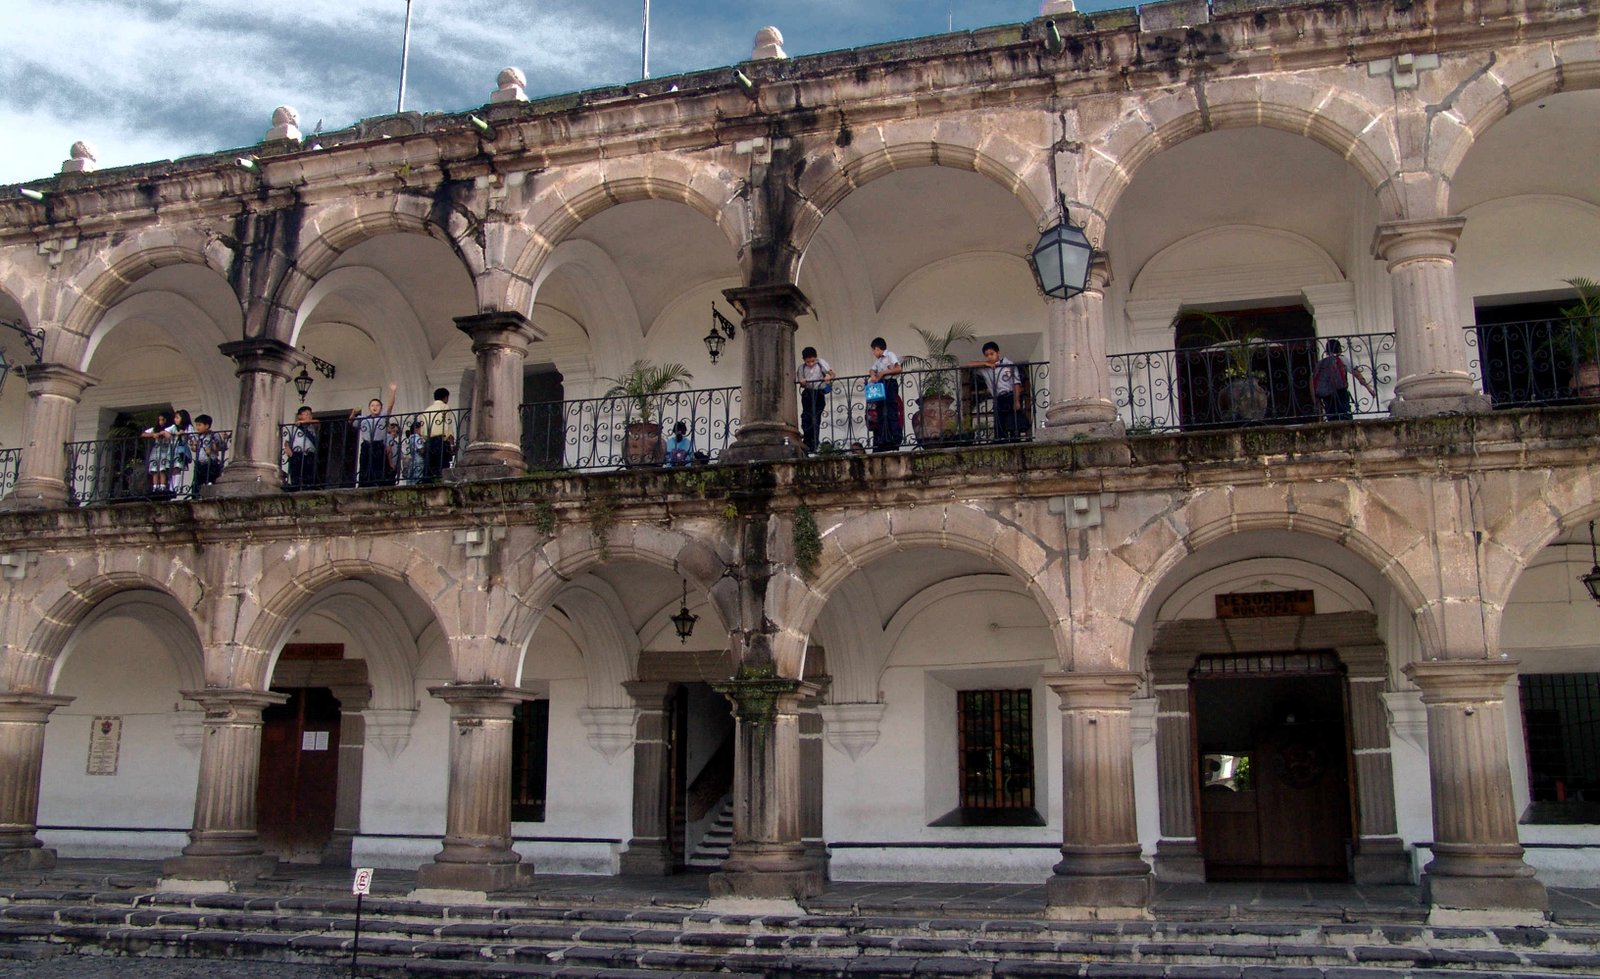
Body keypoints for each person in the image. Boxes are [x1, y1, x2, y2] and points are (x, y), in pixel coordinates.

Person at [967, 341, 1024, 442]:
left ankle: (1016, 442)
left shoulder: (1008, 364)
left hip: (1010, 396)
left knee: (1013, 423)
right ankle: (1002, 443)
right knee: (1000, 425)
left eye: (992, 354)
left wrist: (1017, 400)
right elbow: (969, 364)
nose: (989, 357)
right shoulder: (985, 368)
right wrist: (984, 363)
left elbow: (1016, 383)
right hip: (998, 398)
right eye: (987, 355)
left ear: (998, 353)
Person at [1311, 338, 1375, 421]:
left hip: (1326, 396)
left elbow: (1313, 380)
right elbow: (1357, 375)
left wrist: (1316, 400)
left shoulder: (1321, 363)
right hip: (1341, 392)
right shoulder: (1342, 359)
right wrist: (1369, 389)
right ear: (1339, 349)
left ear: (1326, 351)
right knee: (1346, 417)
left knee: (1332, 418)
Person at [349, 382, 398, 487]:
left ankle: (378, 483)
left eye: (377, 405)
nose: (375, 407)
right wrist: (353, 413)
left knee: (378, 465)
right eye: (372, 405)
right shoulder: (363, 419)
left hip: (378, 445)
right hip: (367, 445)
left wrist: (393, 391)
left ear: (381, 407)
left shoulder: (382, 417)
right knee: (365, 465)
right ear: (369, 407)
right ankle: (364, 484)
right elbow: (351, 423)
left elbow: (390, 406)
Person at [795, 346, 835, 453]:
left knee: (816, 417)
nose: (811, 364)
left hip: (819, 392)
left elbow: (832, 373)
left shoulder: (821, 363)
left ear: (816, 358)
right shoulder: (801, 368)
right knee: (806, 417)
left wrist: (828, 377)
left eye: (813, 361)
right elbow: (801, 381)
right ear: (804, 360)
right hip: (808, 393)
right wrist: (802, 382)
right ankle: (807, 442)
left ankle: (814, 443)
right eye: (808, 362)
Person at [867, 337, 903, 451]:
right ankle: (883, 437)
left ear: (877, 349)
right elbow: (872, 369)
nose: (873, 353)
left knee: (891, 410)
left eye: (874, 350)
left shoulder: (890, 355)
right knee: (881, 411)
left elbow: (898, 368)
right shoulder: (878, 361)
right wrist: (873, 375)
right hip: (881, 384)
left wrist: (883, 372)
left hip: (890, 383)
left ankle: (895, 437)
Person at [141, 409, 178, 496]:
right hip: (156, 450)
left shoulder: (170, 428)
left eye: (162, 420)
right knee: (155, 470)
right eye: (159, 420)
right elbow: (143, 434)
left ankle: (162, 486)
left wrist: (164, 434)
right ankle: (155, 487)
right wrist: (153, 435)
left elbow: (173, 436)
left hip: (165, 450)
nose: (160, 422)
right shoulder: (155, 429)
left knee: (162, 469)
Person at [421, 387, 454, 482]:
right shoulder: (444, 407)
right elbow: (448, 427)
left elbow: (423, 430)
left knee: (429, 466)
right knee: (442, 465)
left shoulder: (427, 410)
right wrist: (451, 444)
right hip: (441, 441)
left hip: (429, 441)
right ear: (445, 397)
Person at [284, 406, 320, 490]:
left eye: (310, 415)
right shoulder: (293, 428)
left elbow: (317, 422)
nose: (309, 416)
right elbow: (287, 443)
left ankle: (309, 488)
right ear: (299, 416)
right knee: (296, 473)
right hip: (297, 453)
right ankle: (295, 487)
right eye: (306, 414)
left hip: (309, 453)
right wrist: (290, 453)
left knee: (309, 473)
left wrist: (303, 422)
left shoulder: (312, 427)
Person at [191, 414, 228, 490]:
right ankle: (197, 495)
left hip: (210, 462)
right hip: (200, 462)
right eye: (196, 425)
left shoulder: (214, 435)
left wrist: (214, 447)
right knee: (198, 482)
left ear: (207, 426)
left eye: (199, 425)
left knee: (210, 480)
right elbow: (194, 449)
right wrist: (194, 446)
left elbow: (223, 447)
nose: (197, 427)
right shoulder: (197, 436)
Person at [170, 409, 197, 495]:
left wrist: (184, 435)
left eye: (177, 417)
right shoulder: (174, 427)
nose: (175, 419)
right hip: (172, 449)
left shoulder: (188, 427)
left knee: (177, 467)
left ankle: (175, 488)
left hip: (180, 449)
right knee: (172, 468)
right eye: (175, 417)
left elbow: (192, 437)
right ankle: (170, 488)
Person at [403, 420, 427, 484]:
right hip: (418, 461)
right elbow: (421, 449)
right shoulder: (416, 437)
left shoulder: (411, 437)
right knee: (418, 479)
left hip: (414, 460)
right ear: (416, 429)